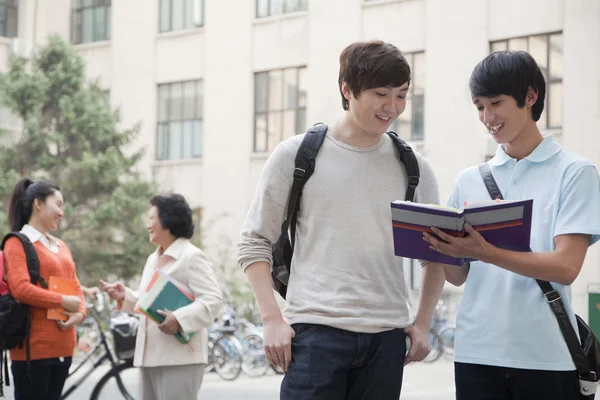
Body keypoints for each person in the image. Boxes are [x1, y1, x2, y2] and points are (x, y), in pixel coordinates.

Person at [237, 40, 446, 399]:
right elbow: (254, 242)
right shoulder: (297, 155)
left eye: (401, 95)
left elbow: (437, 253)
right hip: (316, 334)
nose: (393, 107)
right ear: (347, 90)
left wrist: (423, 323)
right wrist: (272, 319)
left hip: (386, 339)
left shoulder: (413, 167)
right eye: (381, 94)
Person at [424, 51, 600, 400]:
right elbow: (458, 276)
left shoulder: (575, 173)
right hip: (476, 353)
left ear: (530, 97)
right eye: (479, 106)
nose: (487, 117)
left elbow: (565, 267)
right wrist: (436, 243)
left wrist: (486, 252)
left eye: (496, 103)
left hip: (546, 358)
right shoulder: (470, 179)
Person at [100, 193, 222, 400]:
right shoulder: (153, 258)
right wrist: (125, 295)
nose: (147, 224)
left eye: (151, 218)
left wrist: (179, 319)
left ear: (168, 219)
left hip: (181, 359)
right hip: (149, 357)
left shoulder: (192, 256)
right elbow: (148, 300)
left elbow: (213, 300)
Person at [4, 178, 85, 400]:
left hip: (64, 346)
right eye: (58, 204)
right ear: (38, 204)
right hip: (33, 349)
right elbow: (21, 289)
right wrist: (62, 301)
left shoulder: (61, 246)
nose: (62, 212)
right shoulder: (17, 242)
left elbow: (75, 286)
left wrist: (79, 313)